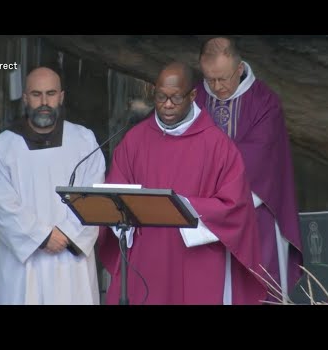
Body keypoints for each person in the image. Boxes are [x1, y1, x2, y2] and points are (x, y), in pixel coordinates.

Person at [98, 61, 267, 305]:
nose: (167, 105)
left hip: (195, 263)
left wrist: (181, 206)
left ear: (193, 96)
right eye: (160, 97)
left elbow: (236, 208)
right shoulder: (135, 139)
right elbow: (116, 195)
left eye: (176, 98)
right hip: (145, 262)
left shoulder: (218, 146)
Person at [195, 36, 302, 302]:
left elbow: (261, 157)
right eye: (210, 79)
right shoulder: (194, 98)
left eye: (224, 78)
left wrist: (215, 185)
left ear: (240, 68)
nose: (217, 87)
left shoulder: (266, 102)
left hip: (255, 211)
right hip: (201, 216)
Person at [0, 66, 106, 305]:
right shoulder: (2, 146)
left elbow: (94, 195)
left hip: (72, 261)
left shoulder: (84, 140)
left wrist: (66, 234)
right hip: (24, 266)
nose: (44, 101)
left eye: (50, 94)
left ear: (61, 96)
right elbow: (1, 206)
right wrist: (42, 237)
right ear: (25, 98)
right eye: (36, 94)